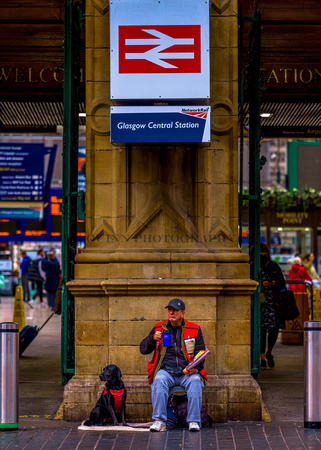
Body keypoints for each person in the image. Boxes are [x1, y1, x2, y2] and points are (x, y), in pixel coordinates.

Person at [140, 298, 207, 433]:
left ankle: (193, 421)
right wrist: (152, 339)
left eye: (175, 311)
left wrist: (196, 369)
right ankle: (160, 421)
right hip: (167, 371)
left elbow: (201, 352)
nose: (171, 313)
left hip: (186, 372)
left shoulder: (194, 329)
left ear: (182, 314)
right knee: (158, 380)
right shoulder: (159, 328)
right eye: (169, 310)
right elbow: (143, 349)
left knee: (195, 381)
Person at [259, 243, 286, 370]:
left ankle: (269, 352)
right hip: (260, 304)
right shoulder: (253, 265)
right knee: (262, 331)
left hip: (273, 303)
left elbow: (282, 283)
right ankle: (262, 357)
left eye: (265, 255)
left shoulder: (273, 265)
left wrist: (274, 283)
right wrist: (260, 284)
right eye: (261, 255)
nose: (263, 257)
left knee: (274, 329)